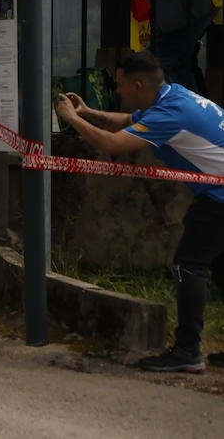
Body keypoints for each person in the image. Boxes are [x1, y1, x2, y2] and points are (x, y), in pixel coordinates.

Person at [55, 50, 224, 373]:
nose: (117, 92)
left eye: (119, 86)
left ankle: (188, 352)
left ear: (136, 84)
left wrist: (72, 119)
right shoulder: (174, 97)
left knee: (189, 265)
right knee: (220, 266)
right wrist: (88, 111)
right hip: (218, 193)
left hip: (219, 197)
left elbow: (113, 144)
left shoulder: (169, 115)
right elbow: (127, 122)